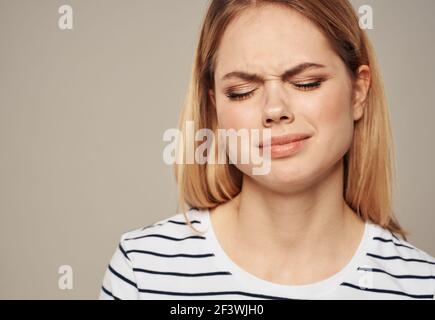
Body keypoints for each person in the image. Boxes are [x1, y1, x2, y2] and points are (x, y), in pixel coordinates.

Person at [99, 0, 435, 300]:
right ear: (216, 108)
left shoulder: (422, 286)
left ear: (358, 92)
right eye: (242, 91)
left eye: (307, 83)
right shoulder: (142, 269)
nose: (275, 109)